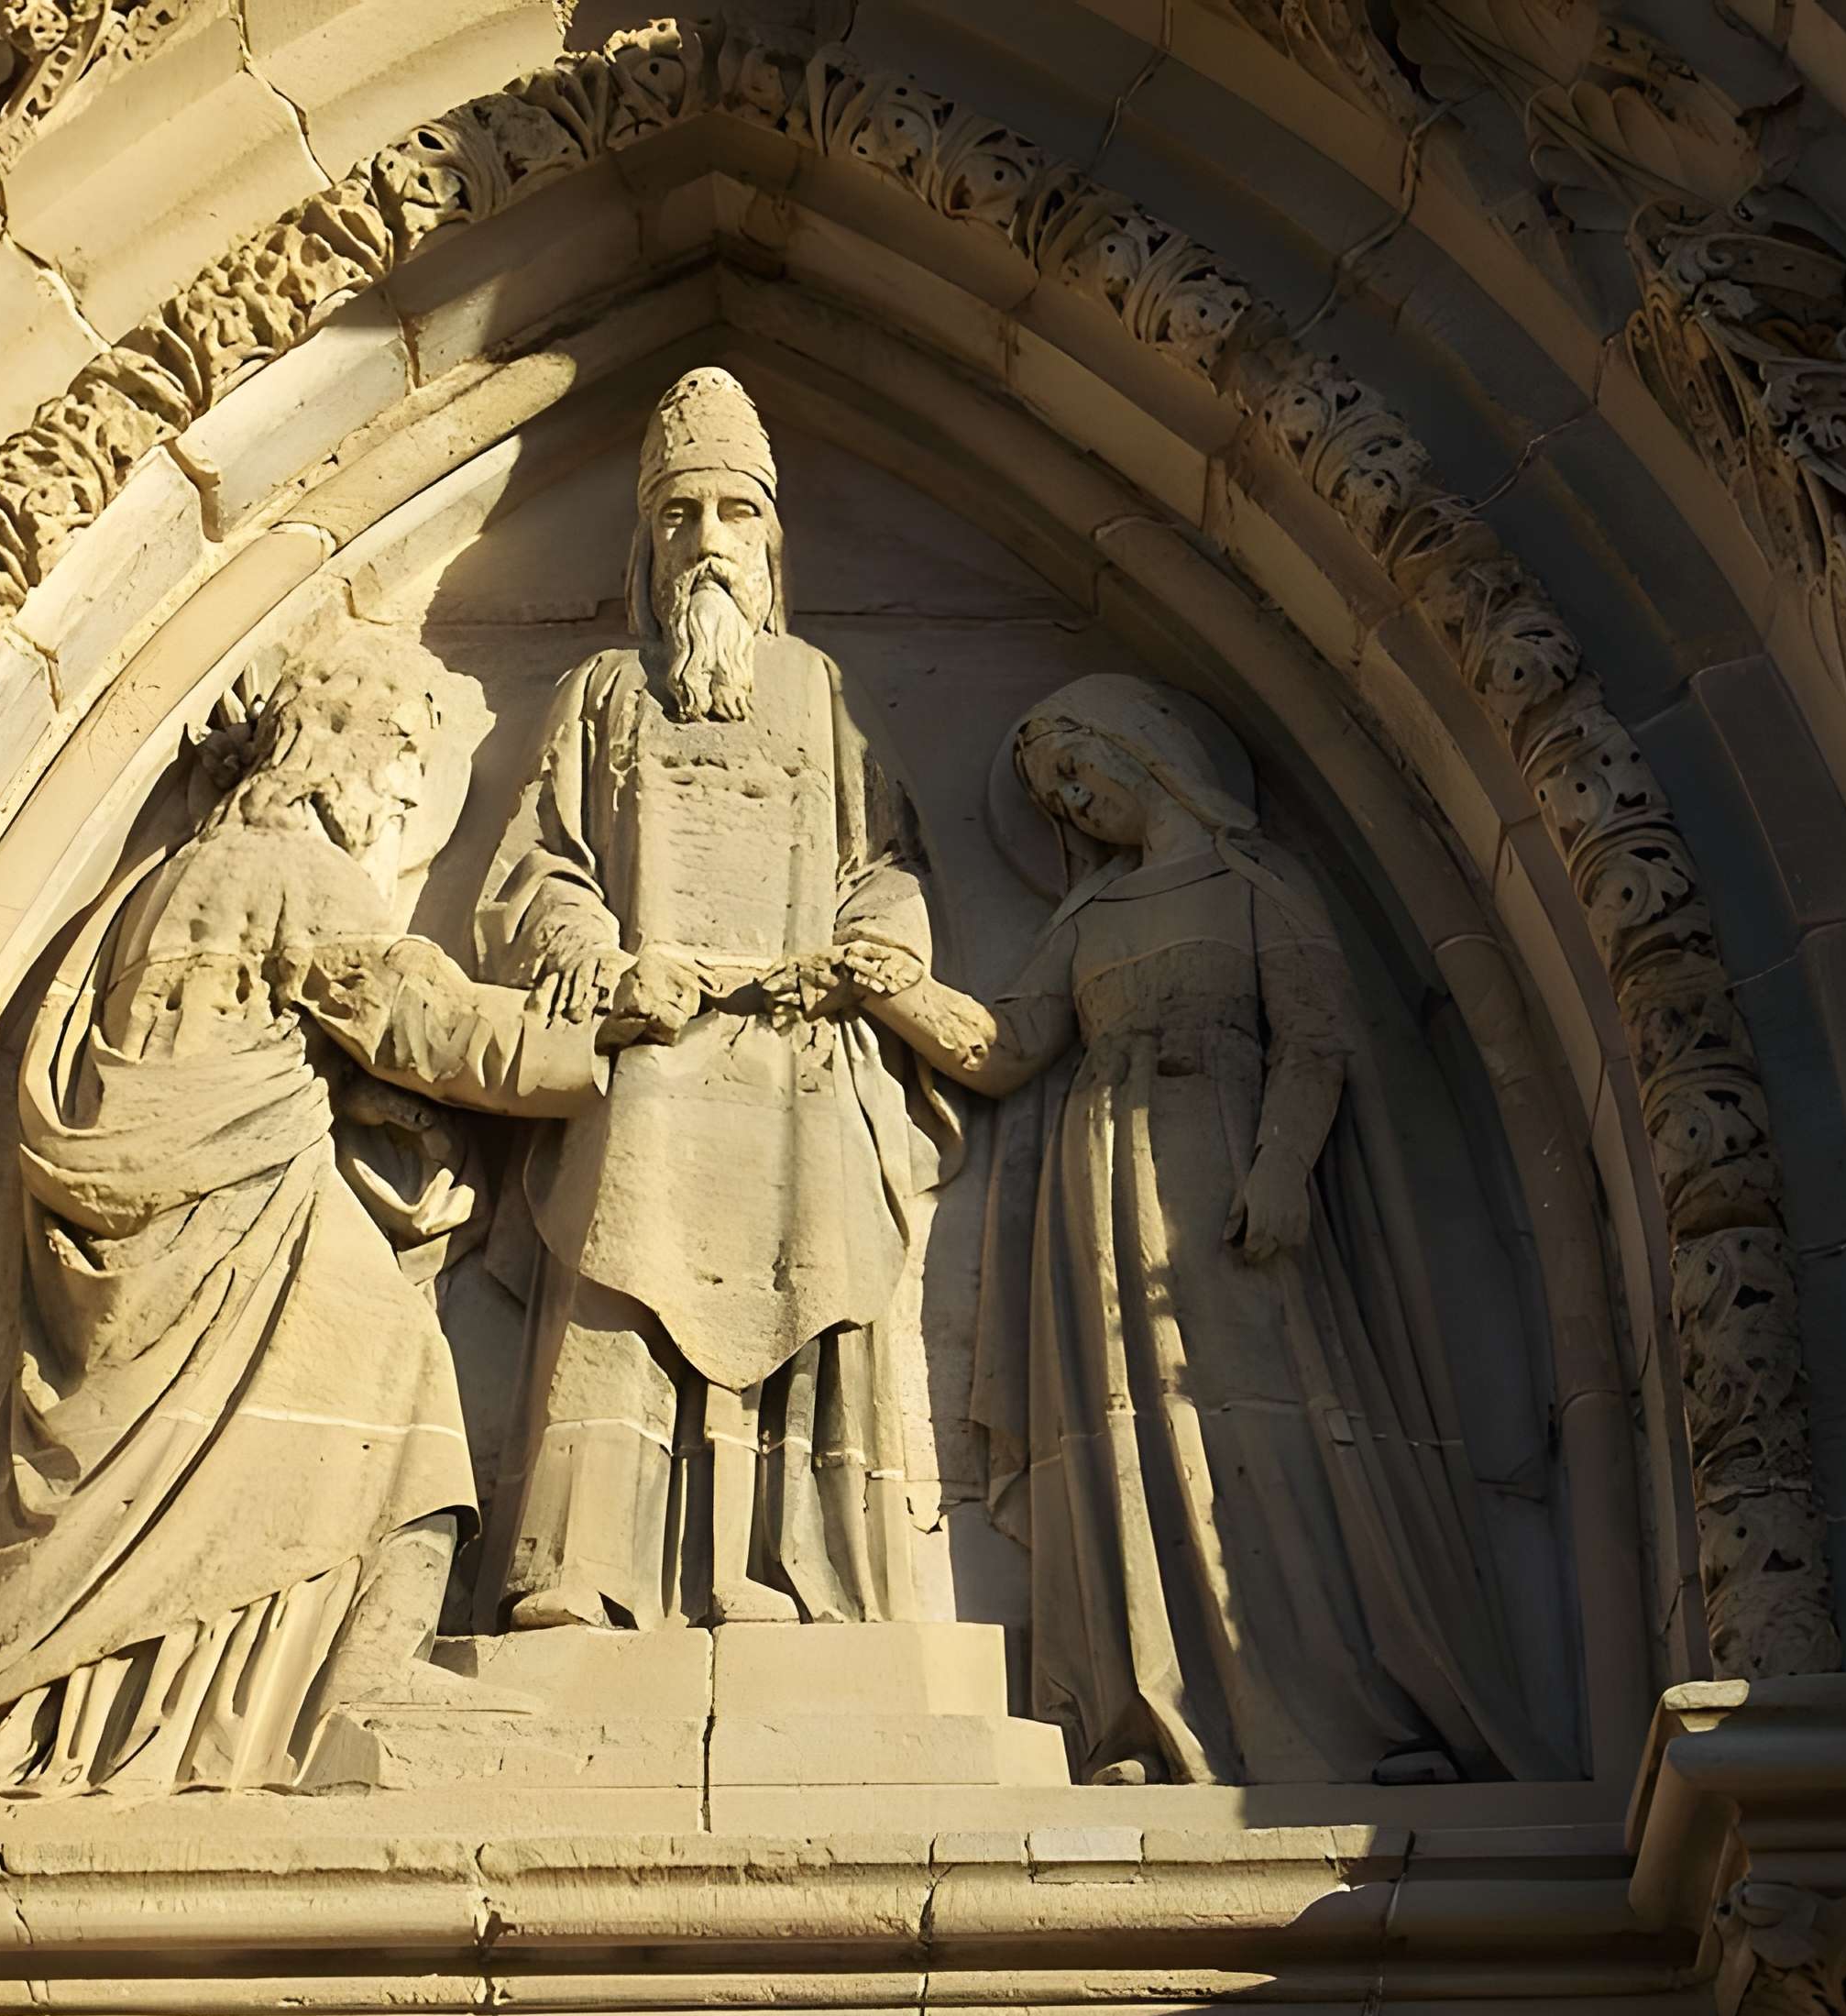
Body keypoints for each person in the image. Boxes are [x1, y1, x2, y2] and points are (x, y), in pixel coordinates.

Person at [0, 634, 610, 1796]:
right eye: (404, 753)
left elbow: (215, 1044)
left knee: (257, 1441)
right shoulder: (288, 870)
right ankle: (354, 1681)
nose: (413, 789)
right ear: (328, 748)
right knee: (403, 1395)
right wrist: (606, 1046)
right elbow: (427, 1025)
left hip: (162, 1237)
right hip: (229, 1234)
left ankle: (106, 1708)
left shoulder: (157, 883)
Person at [863, 675, 1567, 1785]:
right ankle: (1156, 1722)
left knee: (1270, 1438)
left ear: (1143, 749)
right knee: (1130, 1451)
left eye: (1078, 770)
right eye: (1053, 794)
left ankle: (1356, 1719)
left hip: (1224, 1170)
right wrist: (894, 990)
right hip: (1101, 1199)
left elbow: (1315, 1038)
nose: (1071, 801)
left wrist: (1281, 1165)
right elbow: (1002, 1048)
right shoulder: (1084, 919)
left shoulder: (1254, 886)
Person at [473, 367, 948, 1630]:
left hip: (799, 1059)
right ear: (647, 538)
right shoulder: (602, 694)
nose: (708, 542)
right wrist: (610, 968)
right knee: (621, 1282)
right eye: (681, 515)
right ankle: (583, 1571)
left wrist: (869, 950)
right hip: (653, 1060)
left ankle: (794, 1578)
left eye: (736, 512)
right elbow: (537, 873)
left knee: (807, 1292)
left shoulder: (819, 693)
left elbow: (885, 867)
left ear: (772, 534)